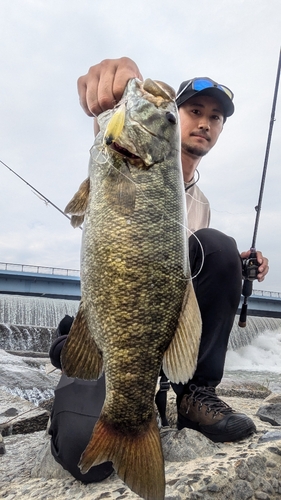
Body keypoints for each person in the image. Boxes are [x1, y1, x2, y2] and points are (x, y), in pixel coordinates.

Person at [48, 57, 269, 480]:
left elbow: (189, 276)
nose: (204, 123)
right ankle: (68, 343)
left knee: (221, 247)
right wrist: (117, 81)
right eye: (192, 112)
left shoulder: (200, 203)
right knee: (83, 456)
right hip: (112, 319)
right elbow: (111, 117)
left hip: (154, 328)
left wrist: (236, 265)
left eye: (215, 117)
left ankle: (193, 395)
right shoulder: (122, 153)